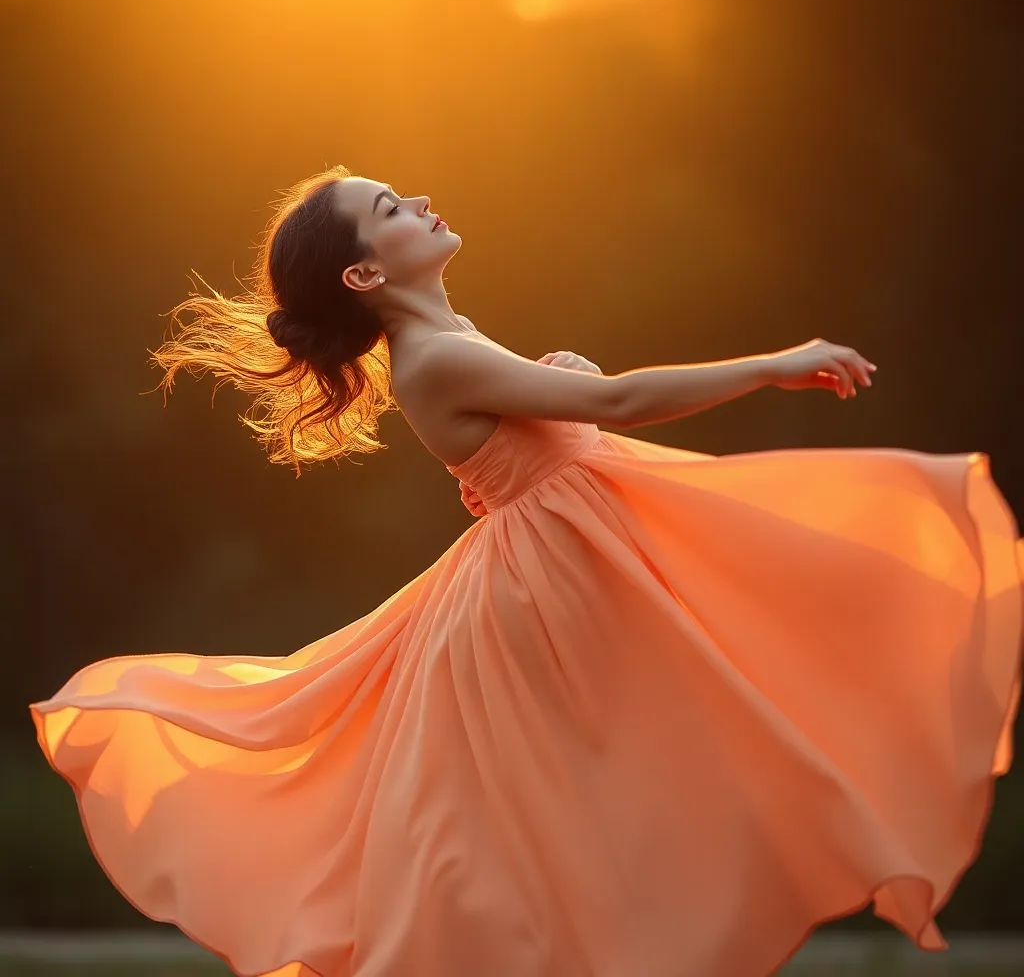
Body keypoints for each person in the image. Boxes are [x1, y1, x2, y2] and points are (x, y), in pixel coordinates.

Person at [30, 164, 1022, 977]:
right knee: (635, 776)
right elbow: (625, 402)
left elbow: (558, 425)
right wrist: (772, 362)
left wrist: (568, 394)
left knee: (681, 739)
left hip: (571, 553)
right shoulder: (431, 356)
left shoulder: (450, 340)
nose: (417, 202)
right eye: (389, 210)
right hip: (553, 583)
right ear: (366, 276)